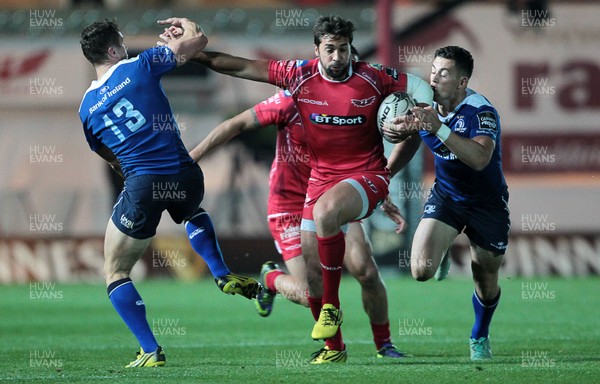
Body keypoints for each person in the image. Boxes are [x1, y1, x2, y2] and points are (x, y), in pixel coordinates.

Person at [160, 14, 433, 363]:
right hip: (303, 194)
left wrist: (417, 119)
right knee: (310, 285)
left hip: (354, 184)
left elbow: (420, 91)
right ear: (316, 50)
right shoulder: (295, 85)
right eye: (330, 50)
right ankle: (325, 339)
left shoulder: (375, 78)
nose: (338, 57)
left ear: (352, 50)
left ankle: (379, 341)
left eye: (344, 49)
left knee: (361, 265)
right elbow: (239, 72)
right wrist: (190, 53)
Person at [78, 18, 260, 368]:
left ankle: (150, 349)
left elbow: (102, 150)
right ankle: (220, 272)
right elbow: (200, 41)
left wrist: (125, 168)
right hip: (184, 174)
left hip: (142, 183)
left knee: (115, 271)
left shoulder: (86, 107)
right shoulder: (140, 65)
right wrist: (186, 28)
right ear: (114, 49)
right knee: (192, 211)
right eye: (122, 40)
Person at [382, 46, 510, 361]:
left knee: (486, 276)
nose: (435, 78)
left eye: (444, 73)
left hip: (487, 205)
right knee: (420, 271)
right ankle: (440, 254)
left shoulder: (480, 111)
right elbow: (412, 143)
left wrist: (437, 127)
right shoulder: (424, 105)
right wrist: (382, 177)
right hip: (447, 198)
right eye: (433, 70)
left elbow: (480, 159)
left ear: (462, 81)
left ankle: (479, 334)